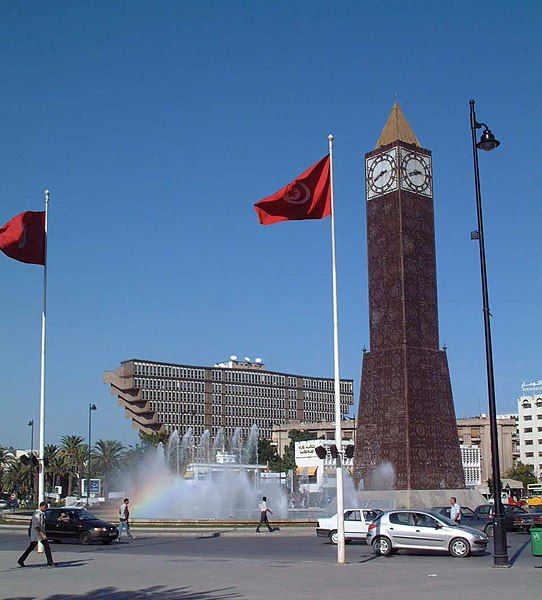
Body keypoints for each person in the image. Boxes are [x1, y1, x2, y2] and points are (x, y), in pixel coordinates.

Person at [18, 501, 55, 568]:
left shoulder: (42, 513)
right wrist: (42, 534)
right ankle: (50, 563)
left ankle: (21, 560)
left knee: (33, 547)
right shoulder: (37, 514)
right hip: (36, 534)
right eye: (45, 507)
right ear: (40, 506)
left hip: (39, 534)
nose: (46, 509)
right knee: (45, 547)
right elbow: (36, 526)